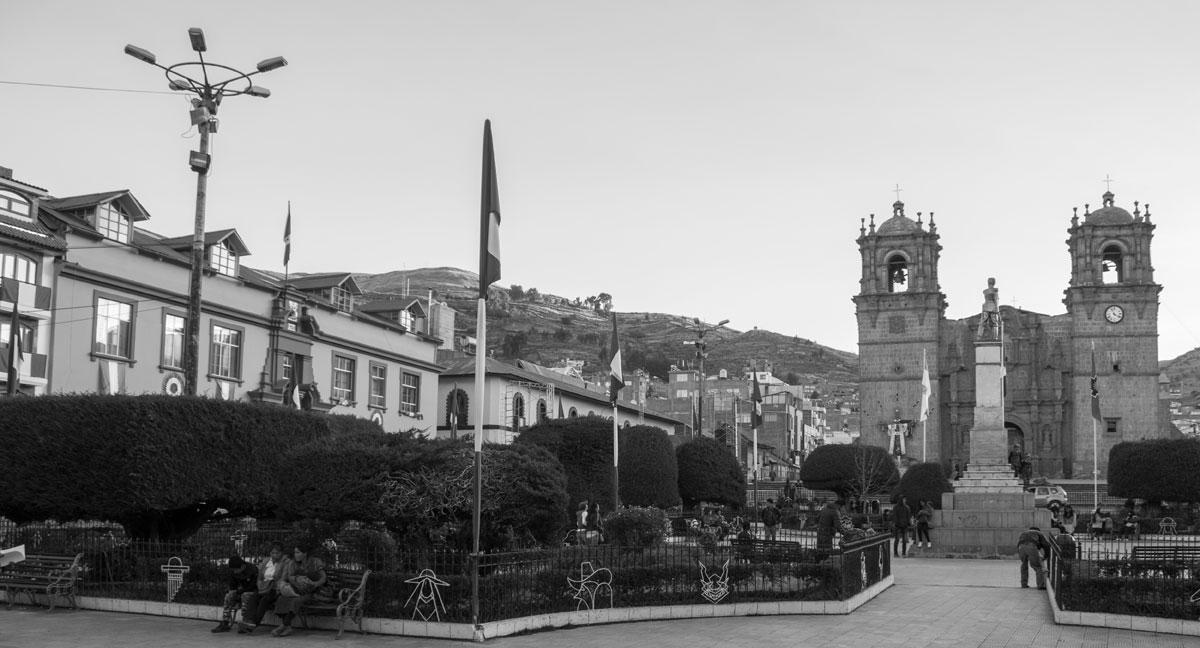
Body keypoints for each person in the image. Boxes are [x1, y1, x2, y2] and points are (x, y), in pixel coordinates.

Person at [271, 545, 327, 637]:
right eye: (295, 552)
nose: (295, 555)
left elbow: (323, 578)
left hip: (313, 591)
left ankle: (283, 625)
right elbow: (290, 576)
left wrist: (314, 584)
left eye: (298, 552)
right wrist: (297, 578)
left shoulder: (316, 562)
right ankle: (288, 627)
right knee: (282, 598)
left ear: (305, 553)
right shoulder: (293, 563)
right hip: (297, 589)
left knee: (296, 601)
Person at [237, 542, 290, 635]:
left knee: (264, 600)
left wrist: (272, 585)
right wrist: (261, 585)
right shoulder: (266, 561)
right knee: (254, 598)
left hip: (275, 589)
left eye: (277, 553)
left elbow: (283, 578)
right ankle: (247, 621)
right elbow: (260, 576)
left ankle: (254, 623)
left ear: (281, 553)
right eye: (272, 553)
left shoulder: (286, 562)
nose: (274, 555)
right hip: (263, 587)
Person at [211, 555, 258, 633]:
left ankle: (245, 622)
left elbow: (252, 586)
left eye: (236, 570)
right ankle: (226, 621)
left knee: (245, 596)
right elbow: (233, 587)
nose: (235, 572)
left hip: (252, 591)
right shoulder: (234, 573)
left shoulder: (253, 570)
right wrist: (233, 596)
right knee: (229, 595)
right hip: (240, 592)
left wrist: (239, 593)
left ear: (242, 566)